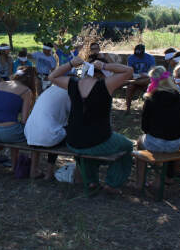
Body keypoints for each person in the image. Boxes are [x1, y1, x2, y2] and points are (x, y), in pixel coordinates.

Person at [49, 54, 133, 194]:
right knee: (127, 146)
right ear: (104, 73)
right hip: (97, 141)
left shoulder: (73, 83)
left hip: (73, 141)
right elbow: (128, 71)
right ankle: (112, 183)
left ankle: (91, 181)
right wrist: (105, 66)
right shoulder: (106, 84)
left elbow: (52, 77)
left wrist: (71, 64)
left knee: (89, 145)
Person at [135, 66, 180, 188]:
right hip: (175, 143)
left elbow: (145, 126)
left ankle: (139, 182)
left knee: (140, 143)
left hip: (156, 141)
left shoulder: (152, 97)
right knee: (161, 148)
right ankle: (158, 181)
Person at [0, 66, 37, 170]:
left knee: (12, 131)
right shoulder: (26, 91)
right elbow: (24, 120)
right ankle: (22, 167)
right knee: (31, 136)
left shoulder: (1, 84)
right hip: (9, 132)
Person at [24, 83, 71, 180]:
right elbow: (73, 114)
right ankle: (49, 173)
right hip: (48, 135)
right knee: (57, 134)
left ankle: (33, 171)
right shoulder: (68, 92)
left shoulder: (49, 90)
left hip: (29, 132)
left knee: (41, 136)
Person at [125, 43, 155, 113]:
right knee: (130, 87)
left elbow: (153, 72)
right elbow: (129, 71)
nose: (138, 56)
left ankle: (146, 108)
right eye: (136, 55)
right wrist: (137, 76)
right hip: (136, 78)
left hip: (146, 79)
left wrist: (144, 75)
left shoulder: (150, 58)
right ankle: (128, 108)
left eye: (140, 55)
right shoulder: (131, 58)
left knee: (149, 85)